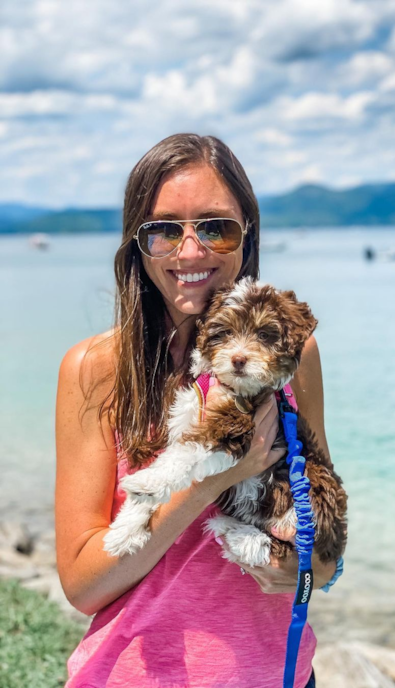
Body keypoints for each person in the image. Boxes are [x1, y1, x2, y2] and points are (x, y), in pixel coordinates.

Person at [55, 133, 338, 688]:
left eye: (216, 227)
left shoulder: (293, 355)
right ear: (137, 244)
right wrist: (213, 481)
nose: (190, 251)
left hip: (280, 675)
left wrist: (308, 576)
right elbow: (83, 586)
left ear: (246, 234)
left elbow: (322, 549)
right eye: (163, 230)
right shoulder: (94, 368)